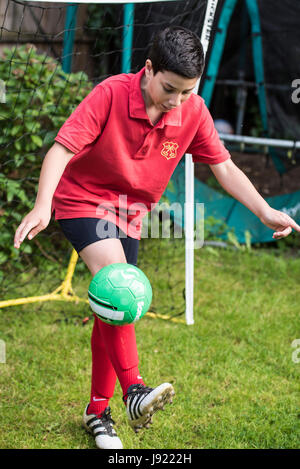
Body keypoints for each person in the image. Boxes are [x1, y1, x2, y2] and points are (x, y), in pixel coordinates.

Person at [14, 26, 300, 449]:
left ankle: (97, 412)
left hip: (130, 216)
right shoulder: (111, 93)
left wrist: (264, 210)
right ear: (148, 69)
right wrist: (42, 205)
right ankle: (134, 391)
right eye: (169, 89)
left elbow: (223, 168)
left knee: (113, 310)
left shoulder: (193, 111)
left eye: (187, 92)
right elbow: (62, 148)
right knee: (120, 288)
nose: (176, 102)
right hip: (83, 200)